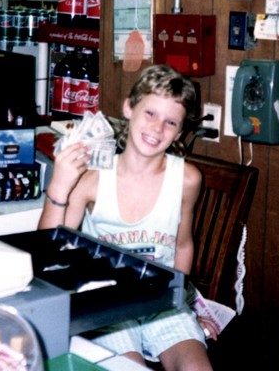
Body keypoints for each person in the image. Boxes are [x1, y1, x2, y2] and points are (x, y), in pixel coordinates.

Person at [38, 64, 215, 370]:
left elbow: (183, 245)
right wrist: (59, 186)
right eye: (150, 113)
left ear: (180, 132)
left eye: (170, 122)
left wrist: (182, 303)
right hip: (107, 301)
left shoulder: (187, 179)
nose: (157, 128)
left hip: (160, 301)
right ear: (129, 108)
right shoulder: (92, 179)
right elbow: (48, 255)